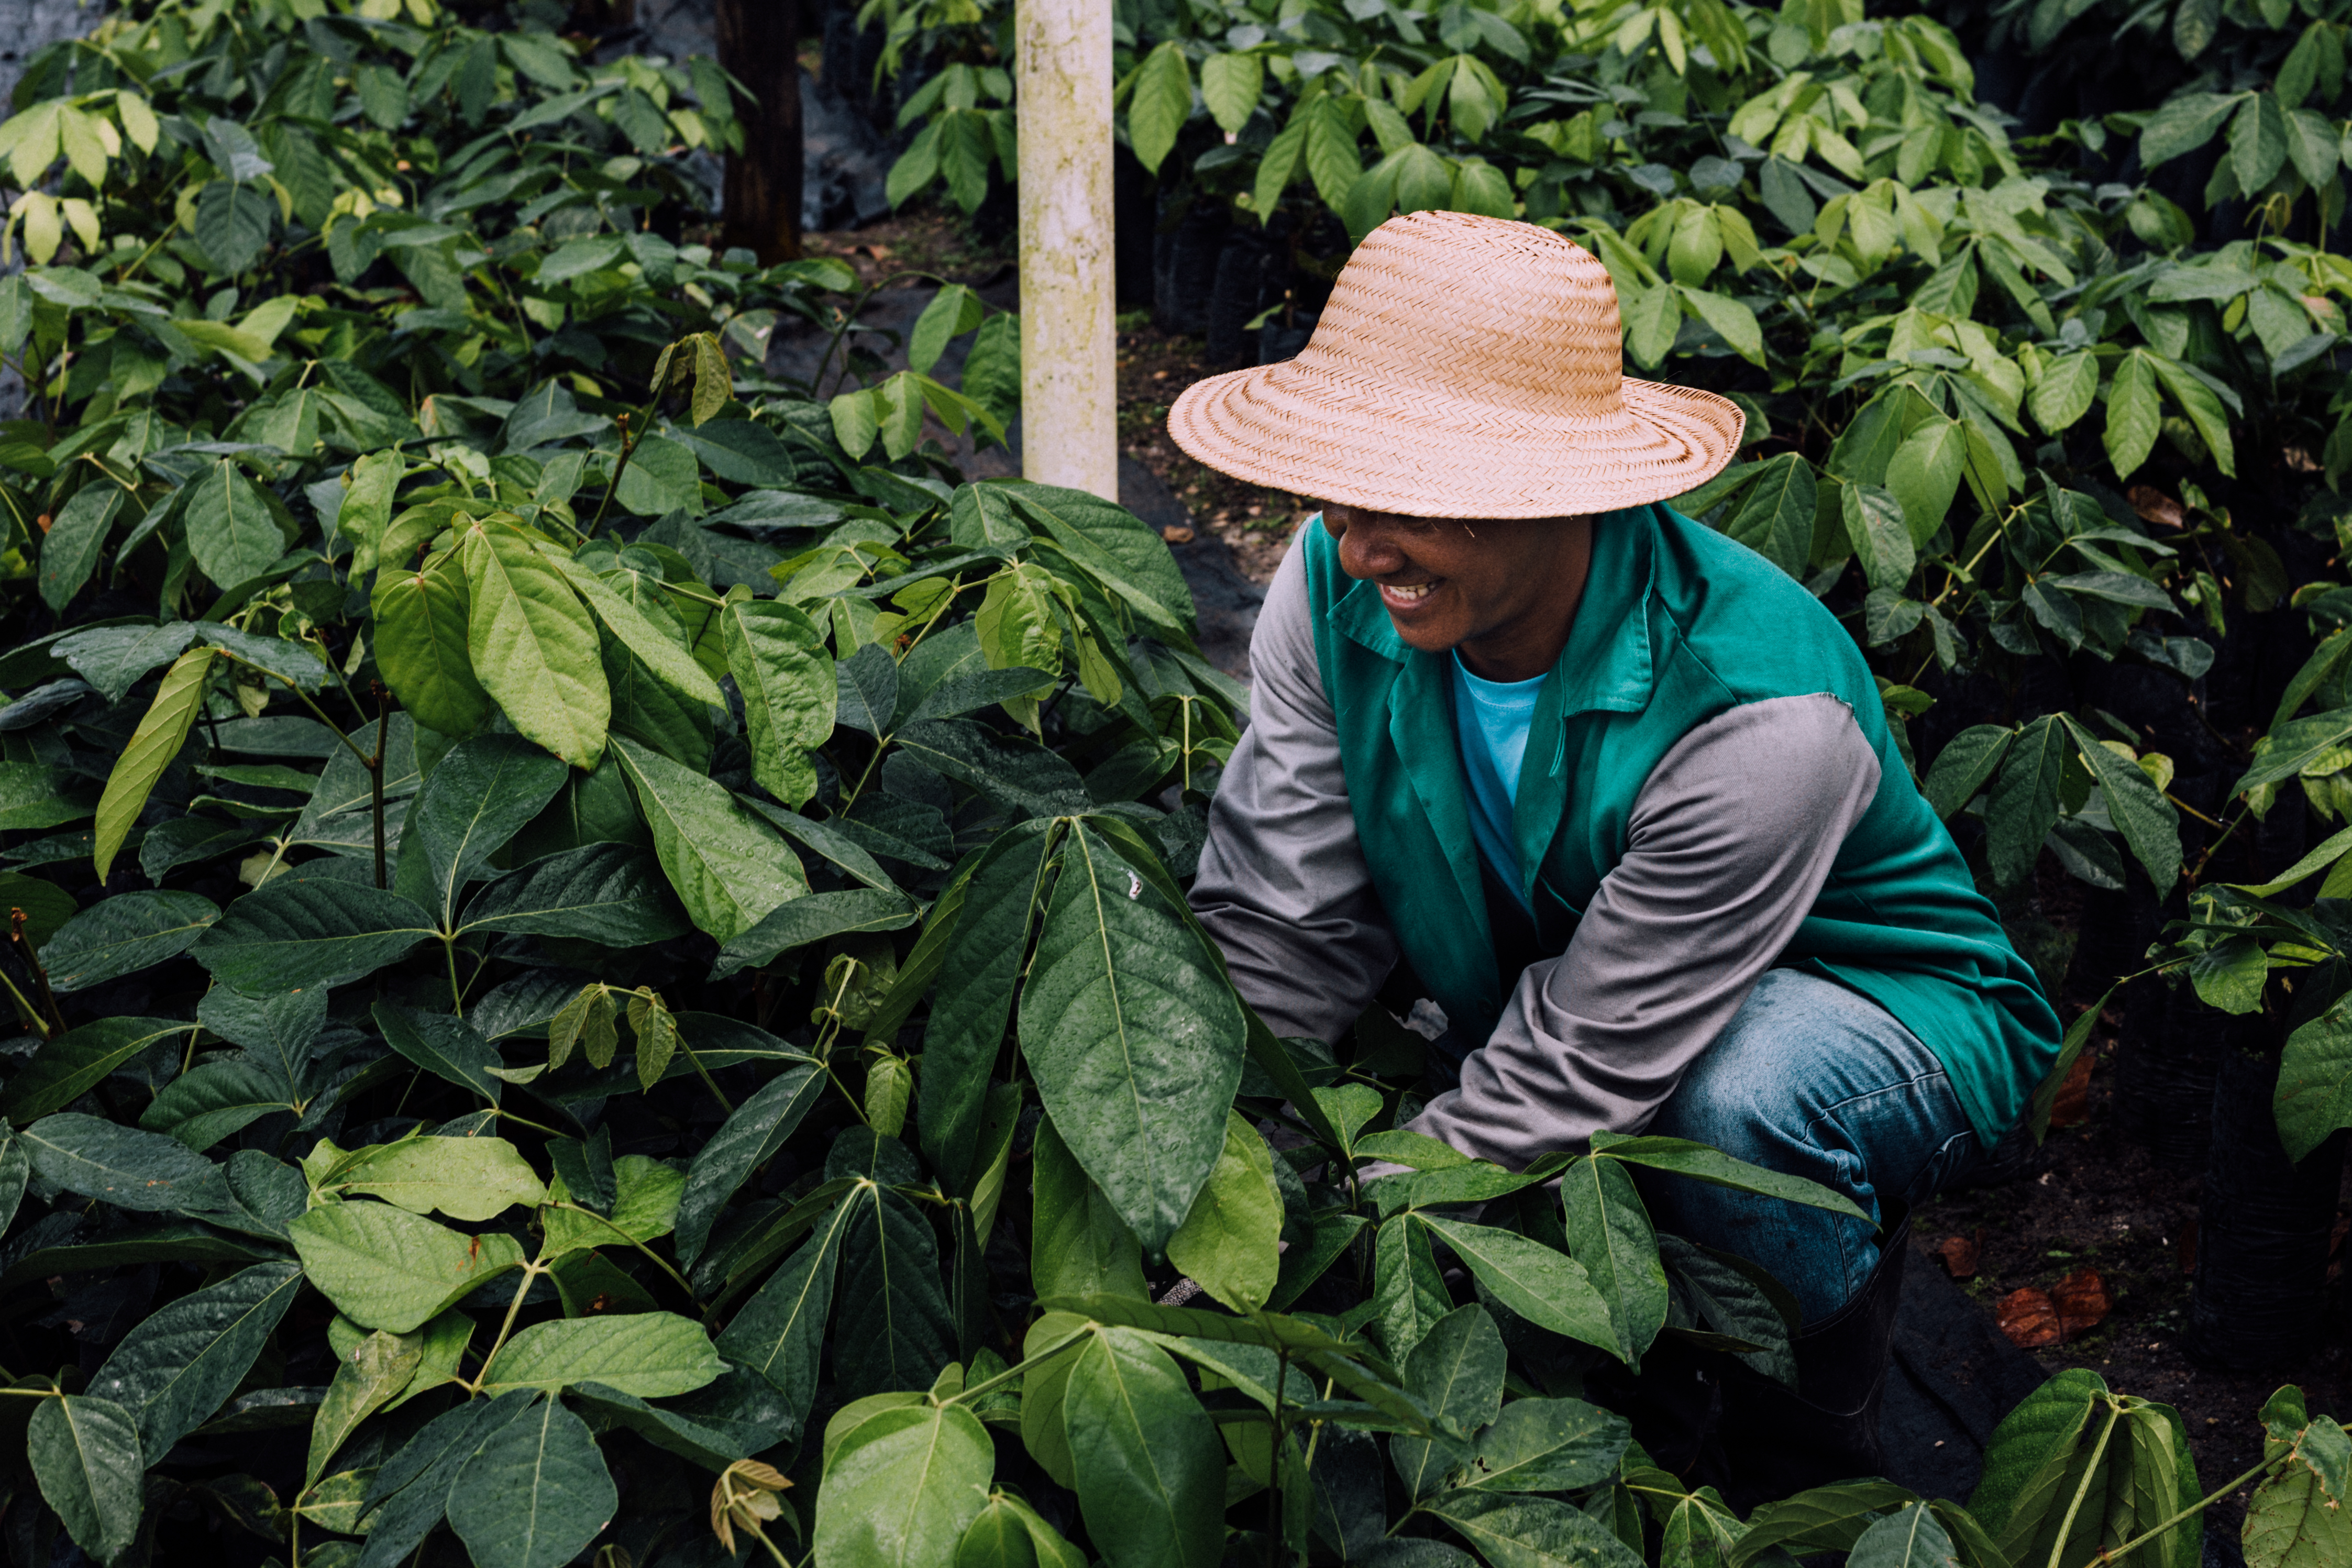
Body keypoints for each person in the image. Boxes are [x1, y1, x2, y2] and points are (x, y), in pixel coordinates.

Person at [1167, 209, 2061, 1496]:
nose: (1359, 546)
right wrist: (1221, 1185)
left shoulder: (1756, 716)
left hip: (1875, 1017)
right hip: (1584, 985)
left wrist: (1348, 1232)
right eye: (1339, 489)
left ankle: (1801, 1430)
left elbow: (1577, 1065)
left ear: (1557, 497)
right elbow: (1280, 927)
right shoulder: (1334, 584)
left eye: (1410, 502)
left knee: (1735, 1102)